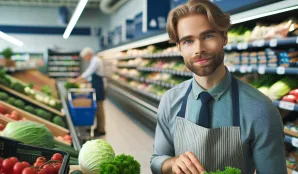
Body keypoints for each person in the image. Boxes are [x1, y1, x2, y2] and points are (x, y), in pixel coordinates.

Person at [150, 0, 287, 174]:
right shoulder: (170, 100)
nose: (199, 49)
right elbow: (156, 160)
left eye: (207, 36)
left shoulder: (260, 109)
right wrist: (172, 163)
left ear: (224, 37)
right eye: (188, 41)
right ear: (179, 47)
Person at [70, 47, 106, 136]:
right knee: (97, 107)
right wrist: (83, 80)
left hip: (99, 86)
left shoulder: (95, 61)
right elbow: (90, 76)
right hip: (96, 85)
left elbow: (88, 72)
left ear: (88, 55)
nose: (85, 59)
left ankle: (101, 129)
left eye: (85, 57)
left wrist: (76, 80)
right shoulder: (93, 60)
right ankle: (97, 127)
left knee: (99, 107)